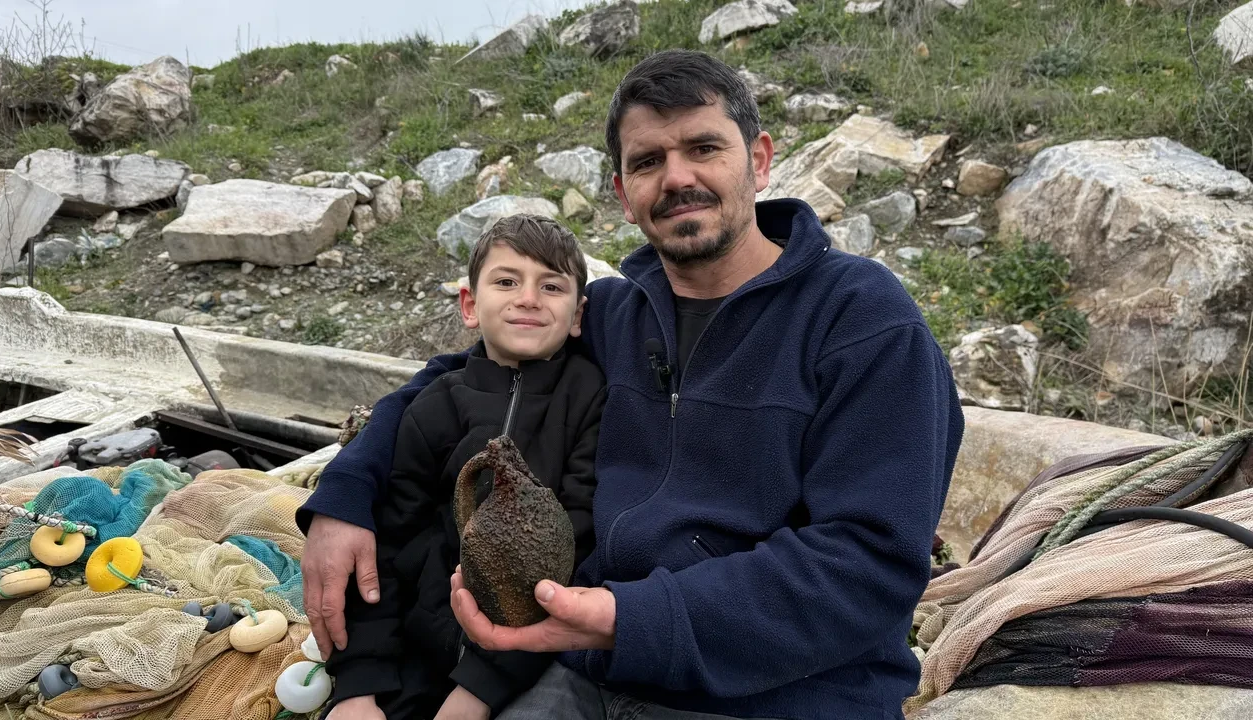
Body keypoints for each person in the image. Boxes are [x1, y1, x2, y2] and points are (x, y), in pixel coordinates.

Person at [298, 49, 964, 720]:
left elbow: (866, 567)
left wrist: (628, 617)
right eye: (647, 161)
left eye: (704, 147)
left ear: (759, 160)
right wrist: (345, 493)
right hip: (595, 675)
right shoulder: (614, 315)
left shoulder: (864, 321)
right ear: (622, 194)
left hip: (786, 695)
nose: (678, 178)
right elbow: (464, 374)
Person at [314, 215, 607, 720]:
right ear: (470, 305)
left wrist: (478, 689)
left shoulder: (592, 400)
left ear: (578, 315)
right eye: (507, 281)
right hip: (415, 647)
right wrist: (357, 686)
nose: (529, 298)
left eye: (552, 285)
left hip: (521, 664)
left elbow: (578, 539)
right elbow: (385, 546)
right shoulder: (433, 406)